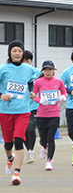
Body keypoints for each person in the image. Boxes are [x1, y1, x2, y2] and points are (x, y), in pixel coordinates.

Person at [0, 40, 40, 185]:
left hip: (23, 111)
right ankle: (10, 158)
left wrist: (31, 92)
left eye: (19, 51)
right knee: (8, 143)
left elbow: (31, 80)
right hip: (5, 111)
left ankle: (17, 173)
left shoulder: (28, 68)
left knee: (18, 139)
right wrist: (1, 95)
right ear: (10, 53)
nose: (17, 53)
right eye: (14, 50)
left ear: (23, 53)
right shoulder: (3, 69)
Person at [33, 60, 67, 171]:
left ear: (54, 71)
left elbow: (64, 92)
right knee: (43, 139)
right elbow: (33, 95)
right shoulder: (37, 82)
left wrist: (63, 97)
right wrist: (39, 100)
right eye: (46, 70)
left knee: (51, 137)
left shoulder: (58, 82)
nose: (48, 72)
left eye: (50, 70)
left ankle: (49, 161)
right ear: (42, 71)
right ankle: (44, 146)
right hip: (42, 114)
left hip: (54, 114)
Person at [23, 50, 40, 163]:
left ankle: (31, 150)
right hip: (21, 106)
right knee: (23, 131)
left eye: (27, 61)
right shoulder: (17, 72)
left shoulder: (37, 72)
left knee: (30, 128)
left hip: (34, 106)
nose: (25, 63)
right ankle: (28, 150)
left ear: (30, 61)